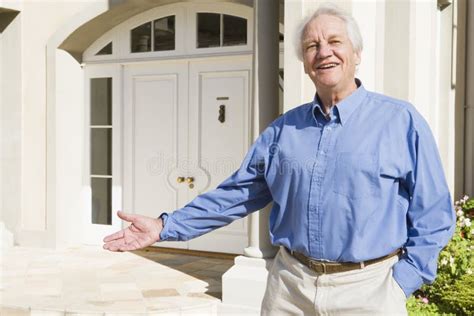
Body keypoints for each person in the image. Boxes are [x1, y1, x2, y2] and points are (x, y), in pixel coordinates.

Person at [103, 3, 456, 314]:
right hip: (290, 288)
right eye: (312, 46)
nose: (323, 52)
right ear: (304, 63)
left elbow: (433, 214)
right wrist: (165, 226)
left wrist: (403, 281)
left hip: (369, 291)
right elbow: (236, 194)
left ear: (356, 53)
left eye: (335, 42)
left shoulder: (400, 121)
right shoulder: (283, 131)